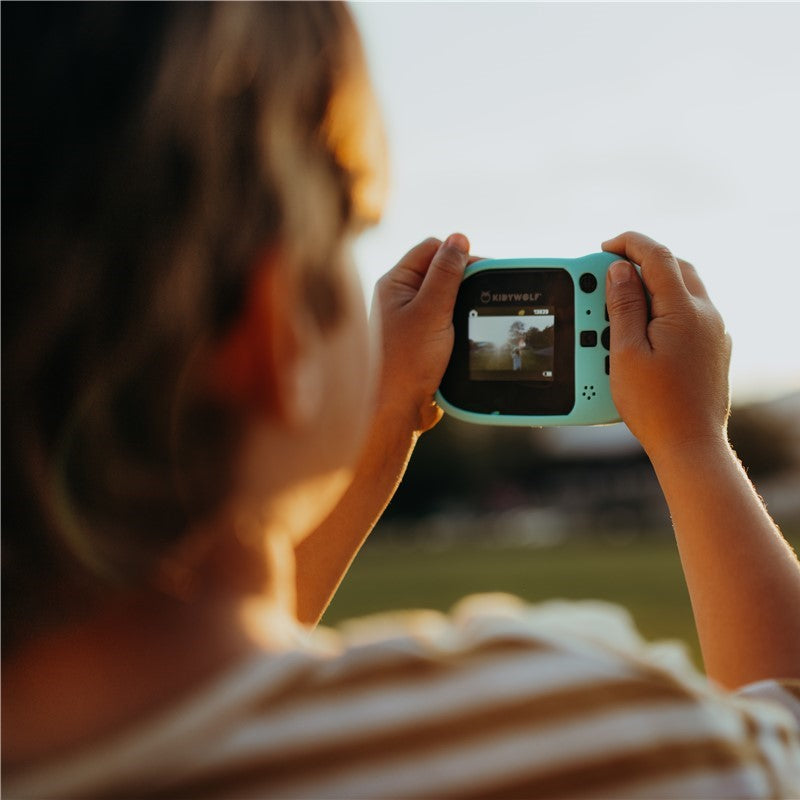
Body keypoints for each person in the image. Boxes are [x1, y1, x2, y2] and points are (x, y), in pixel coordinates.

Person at [3, 3, 800, 798]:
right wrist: (696, 444)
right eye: (349, 234)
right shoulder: (555, 729)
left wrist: (377, 417)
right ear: (273, 330)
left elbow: (208, 681)